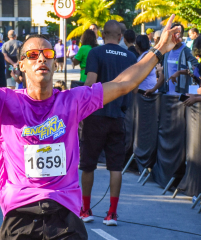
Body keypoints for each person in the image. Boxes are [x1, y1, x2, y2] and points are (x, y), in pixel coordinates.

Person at [0, 11, 181, 239]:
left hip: (65, 217)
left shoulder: (73, 101)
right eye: (32, 55)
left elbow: (123, 84)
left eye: (47, 53)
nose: (41, 57)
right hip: (20, 217)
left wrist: (159, 49)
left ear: (55, 64)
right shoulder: (4, 102)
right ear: (21, 66)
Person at [79, 20, 137, 225]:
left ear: (103, 35)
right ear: (120, 36)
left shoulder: (96, 53)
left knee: (88, 164)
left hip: (95, 115)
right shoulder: (131, 57)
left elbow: (91, 81)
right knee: (115, 167)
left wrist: (79, 108)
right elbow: (133, 87)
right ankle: (111, 213)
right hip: (118, 117)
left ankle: (86, 210)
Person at [161, 23, 198, 94]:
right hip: (168, 94)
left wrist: (180, 72)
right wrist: (153, 89)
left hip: (181, 94)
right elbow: (163, 74)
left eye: (179, 33)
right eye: (175, 33)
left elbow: (196, 68)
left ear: (182, 35)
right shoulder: (167, 51)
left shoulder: (186, 51)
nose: (177, 36)